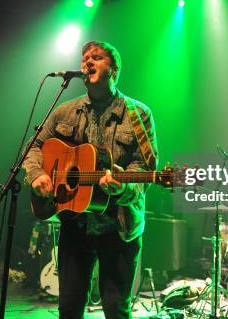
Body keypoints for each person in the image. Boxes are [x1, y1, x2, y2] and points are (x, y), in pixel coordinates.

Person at [23, 41, 158, 319]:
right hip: (75, 224)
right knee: (69, 308)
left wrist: (123, 188)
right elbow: (34, 147)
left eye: (96, 57)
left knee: (115, 309)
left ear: (114, 69)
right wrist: (37, 175)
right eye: (85, 58)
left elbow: (145, 169)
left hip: (119, 227)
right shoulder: (64, 111)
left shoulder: (138, 114)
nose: (87, 62)